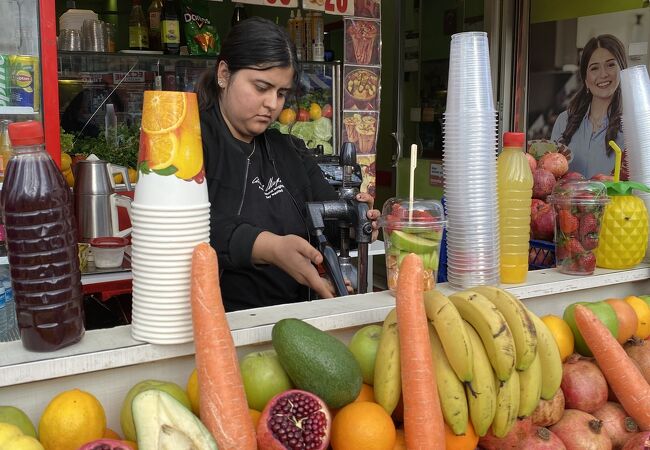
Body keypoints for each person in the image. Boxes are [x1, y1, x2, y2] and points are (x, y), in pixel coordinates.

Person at [195, 17, 380, 312]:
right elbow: (185, 229)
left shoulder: (287, 150)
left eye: (281, 93)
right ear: (224, 74)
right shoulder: (191, 144)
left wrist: (356, 218)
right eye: (261, 87)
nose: (272, 104)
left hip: (295, 318)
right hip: (220, 320)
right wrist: (269, 247)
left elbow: (329, 224)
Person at [551, 34, 627, 179]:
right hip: (567, 202)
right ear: (585, 78)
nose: (603, 74)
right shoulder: (564, 122)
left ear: (621, 70)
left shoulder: (633, 127)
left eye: (610, 65)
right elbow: (552, 176)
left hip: (616, 203)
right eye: (594, 68)